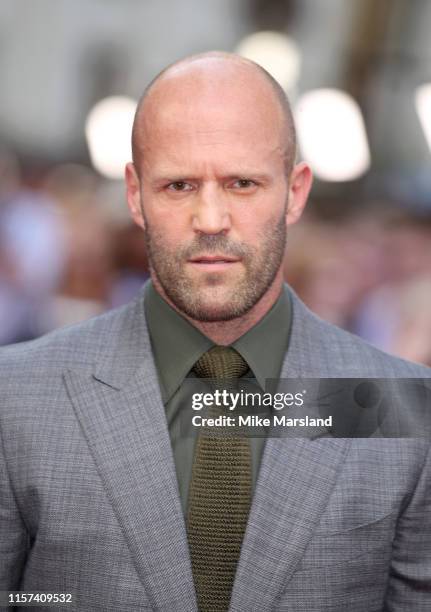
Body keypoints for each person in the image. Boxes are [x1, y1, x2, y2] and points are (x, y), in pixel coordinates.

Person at [0, 52, 430, 612]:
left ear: (295, 191)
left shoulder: (403, 410)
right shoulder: (17, 398)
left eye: (242, 183)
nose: (210, 218)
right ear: (135, 194)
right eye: (178, 185)